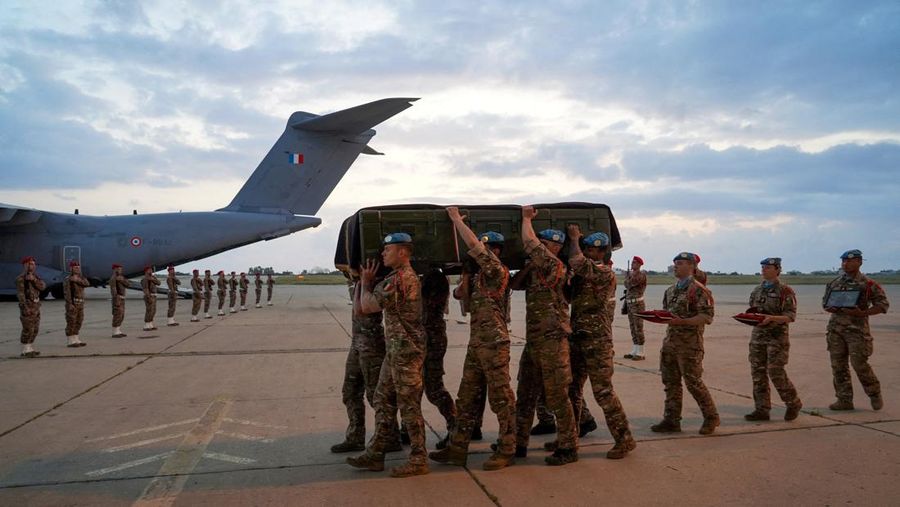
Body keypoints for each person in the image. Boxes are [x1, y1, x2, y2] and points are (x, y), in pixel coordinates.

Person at [430, 208, 517, 471]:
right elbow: (462, 301)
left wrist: (456, 219)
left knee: (501, 398)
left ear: (497, 251)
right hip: (477, 343)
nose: (483, 252)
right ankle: (457, 450)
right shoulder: (480, 276)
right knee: (466, 398)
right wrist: (466, 276)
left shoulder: (497, 270)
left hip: (494, 343)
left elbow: (472, 244)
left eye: (490, 248)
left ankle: (507, 449)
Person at [347, 232, 429, 478]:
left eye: (387, 250)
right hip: (395, 351)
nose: (382, 253)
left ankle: (418, 458)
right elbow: (363, 307)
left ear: (402, 252)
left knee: (409, 407)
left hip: (406, 353)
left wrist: (365, 283)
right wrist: (365, 284)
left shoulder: (401, 279)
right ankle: (375, 454)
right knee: (382, 400)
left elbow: (366, 307)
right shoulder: (395, 278)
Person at [550, 225, 635, 459]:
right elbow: (569, 297)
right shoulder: (583, 274)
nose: (588, 252)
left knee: (603, 392)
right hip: (578, 337)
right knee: (572, 390)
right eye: (586, 248)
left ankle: (624, 438)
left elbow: (576, 260)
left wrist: (574, 238)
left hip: (597, 342)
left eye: (593, 249)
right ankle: (570, 434)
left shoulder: (604, 272)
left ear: (604, 253)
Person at [510, 206, 578, 466]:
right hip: (535, 341)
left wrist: (526, 218)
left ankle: (568, 446)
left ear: (555, 247)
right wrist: (527, 269)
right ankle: (519, 442)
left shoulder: (555, 266)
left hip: (553, 341)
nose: (540, 245)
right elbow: (515, 287)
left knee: (558, 396)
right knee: (525, 393)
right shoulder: (539, 269)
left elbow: (528, 242)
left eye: (545, 243)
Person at [649, 252, 719, 435]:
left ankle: (711, 417)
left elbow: (707, 317)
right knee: (670, 383)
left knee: (693, 382)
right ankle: (671, 420)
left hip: (689, 345)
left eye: (680, 263)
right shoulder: (671, 290)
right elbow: (667, 313)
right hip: (670, 342)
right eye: (675, 264)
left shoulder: (698, 290)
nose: (675, 267)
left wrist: (683, 322)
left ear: (691, 267)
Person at [332, 273, 401, 454]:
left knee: (376, 395)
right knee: (350, 391)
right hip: (357, 343)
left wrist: (364, 282)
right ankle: (355, 436)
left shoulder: (375, 283)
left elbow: (361, 309)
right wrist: (358, 281)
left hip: (372, 345)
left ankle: (391, 436)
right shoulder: (359, 282)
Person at [823, 249, 889, 411]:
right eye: (844, 261)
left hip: (857, 332)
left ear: (859, 262)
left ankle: (874, 393)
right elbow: (825, 304)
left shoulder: (868, 284)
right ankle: (844, 399)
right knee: (838, 366)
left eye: (850, 261)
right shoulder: (835, 283)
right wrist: (832, 307)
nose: (846, 264)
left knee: (859, 364)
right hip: (836, 330)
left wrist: (862, 313)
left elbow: (882, 305)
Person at [744, 257, 803, 422]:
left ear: (777, 270)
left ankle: (793, 403)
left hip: (777, 338)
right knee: (758, 373)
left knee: (776, 372)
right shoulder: (757, 290)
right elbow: (753, 310)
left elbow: (790, 316)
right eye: (762, 267)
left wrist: (772, 318)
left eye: (768, 267)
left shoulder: (785, 291)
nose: (764, 270)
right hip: (758, 337)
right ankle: (762, 409)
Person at [421, 269, 457, 447]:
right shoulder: (426, 278)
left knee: (434, 388)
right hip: (424, 338)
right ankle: (407, 431)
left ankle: (455, 426)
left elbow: (428, 302)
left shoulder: (435, 278)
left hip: (431, 339)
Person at [16, 256, 46, 357]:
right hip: (28, 307)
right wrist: (25, 308)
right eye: (29, 264)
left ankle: (30, 347)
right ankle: (25, 349)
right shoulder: (21, 279)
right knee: (28, 328)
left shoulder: (36, 277)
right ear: (24, 265)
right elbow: (21, 295)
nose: (31, 266)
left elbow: (42, 287)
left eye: (33, 264)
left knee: (35, 329)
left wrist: (34, 280)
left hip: (36, 306)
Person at [623, 256, 648, 360]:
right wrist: (628, 276)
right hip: (630, 304)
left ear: (639, 264)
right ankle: (635, 349)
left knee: (638, 327)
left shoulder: (641, 275)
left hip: (637, 304)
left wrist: (627, 277)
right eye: (632, 263)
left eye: (635, 263)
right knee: (633, 327)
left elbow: (629, 284)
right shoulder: (631, 275)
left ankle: (641, 352)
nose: (633, 264)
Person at [63, 260, 90, 347]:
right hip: (73, 303)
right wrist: (69, 304)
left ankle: (76, 338)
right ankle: (70, 340)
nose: (77, 269)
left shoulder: (81, 278)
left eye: (78, 267)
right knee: (71, 321)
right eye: (75, 267)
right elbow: (67, 293)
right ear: (71, 268)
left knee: (79, 321)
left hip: (80, 303)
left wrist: (77, 280)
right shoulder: (68, 279)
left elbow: (87, 283)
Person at [109, 263, 129, 337]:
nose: (120, 270)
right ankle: (115, 332)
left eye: (121, 269)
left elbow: (128, 284)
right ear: (114, 269)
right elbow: (113, 289)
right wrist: (116, 299)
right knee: (117, 314)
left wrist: (122, 280)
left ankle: (118, 330)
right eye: (118, 269)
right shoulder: (113, 278)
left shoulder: (121, 277)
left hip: (122, 298)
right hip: (117, 299)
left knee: (121, 315)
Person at [141, 266, 160, 331]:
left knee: (153, 310)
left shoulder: (153, 278)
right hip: (149, 296)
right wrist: (148, 297)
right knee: (149, 310)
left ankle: (150, 324)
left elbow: (158, 283)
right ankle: (146, 325)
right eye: (149, 270)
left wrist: (153, 279)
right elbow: (145, 289)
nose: (151, 271)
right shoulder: (144, 279)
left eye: (151, 270)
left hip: (154, 295)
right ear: (146, 271)